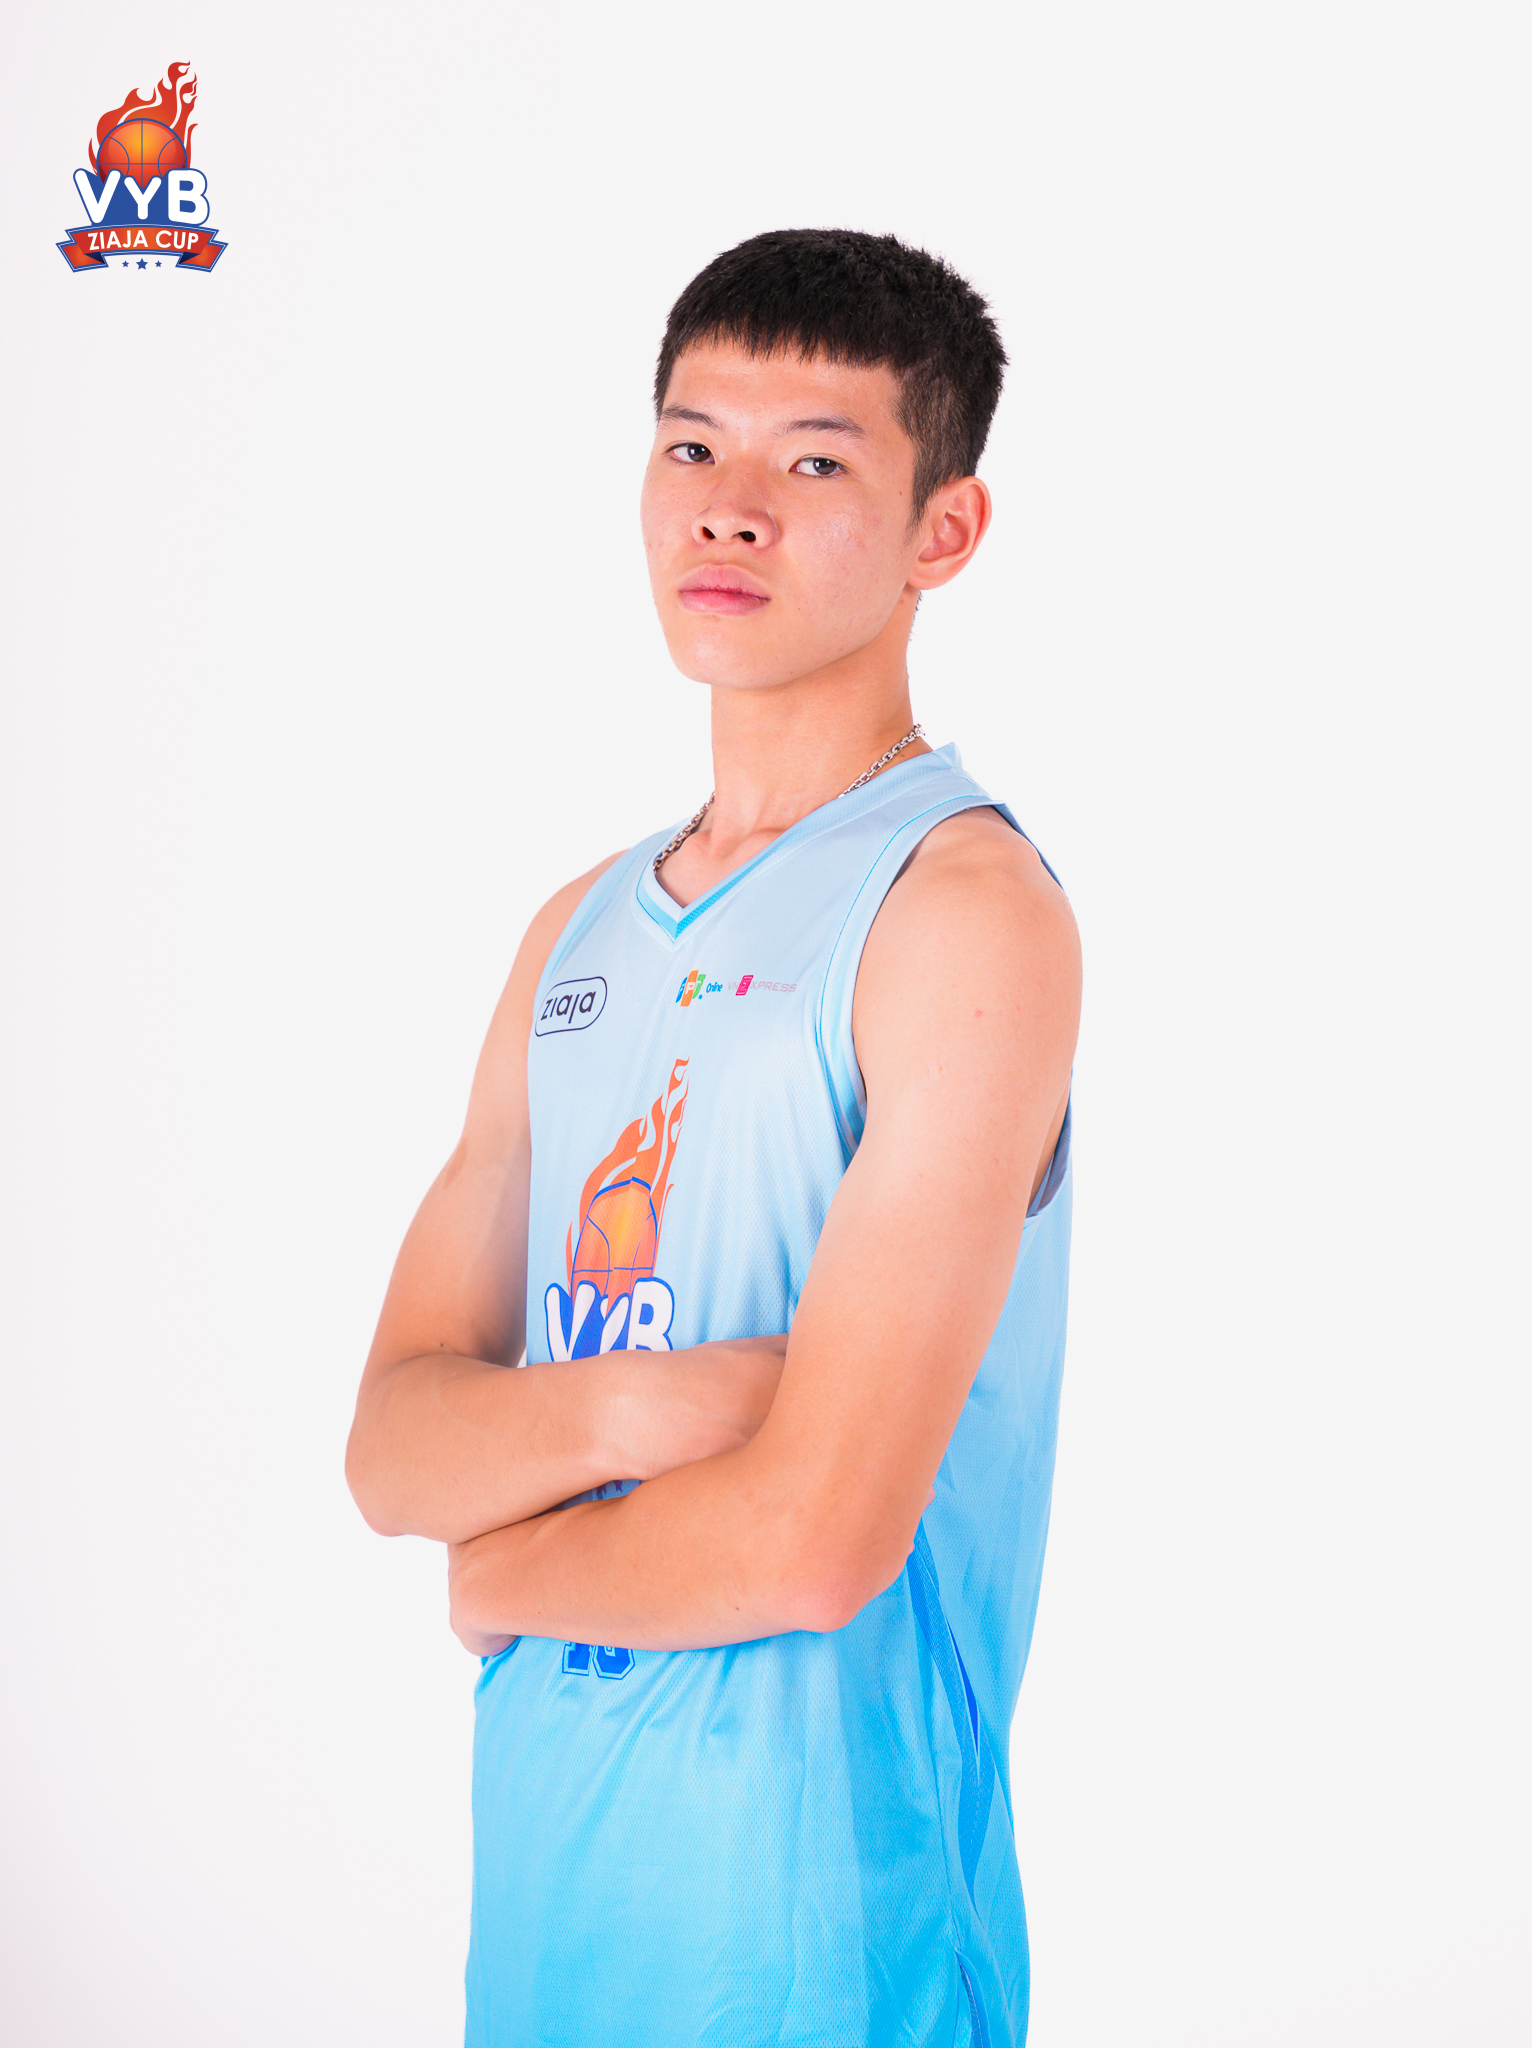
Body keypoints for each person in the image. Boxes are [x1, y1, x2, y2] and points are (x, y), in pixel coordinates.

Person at [346, 228, 1081, 2048]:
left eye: (815, 462)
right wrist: (642, 1407)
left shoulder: (961, 912)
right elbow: (390, 1448)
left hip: (824, 1940)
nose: (730, 507)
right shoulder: (577, 931)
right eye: (693, 445)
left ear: (943, 533)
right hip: (552, 1920)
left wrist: (504, 1563)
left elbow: (815, 1539)